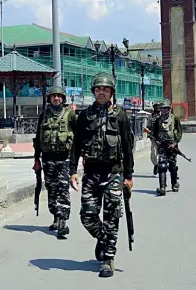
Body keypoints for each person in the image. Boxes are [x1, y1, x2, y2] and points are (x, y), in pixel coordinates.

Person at [69, 72, 134, 278]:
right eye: (98, 89)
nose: (102, 92)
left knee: (112, 217)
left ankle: (108, 259)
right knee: (87, 216)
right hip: (91, 174)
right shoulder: (84, 116)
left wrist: (129, 176)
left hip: (114, 173)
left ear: (111, 92)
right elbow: (76, 146)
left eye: (105, 89)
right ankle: (104, 239)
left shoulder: (120, 115)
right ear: (94, 92)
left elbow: (127, 146)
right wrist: (73, 171)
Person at [33, 86, 77, 238]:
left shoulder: (70, 115)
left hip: (64, 158)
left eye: (59, 96)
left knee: (63, 189)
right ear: (49, 99)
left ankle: (63, 221)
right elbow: (38, 139)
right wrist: (36, 158)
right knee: (51, 189)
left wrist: (76, 161)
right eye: (54, 96)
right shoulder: (43, 116)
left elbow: (77, 138)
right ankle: (56, 217)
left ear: (63, 98)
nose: (56, 98)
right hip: (47, 159)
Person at [150, 99, 182, 196]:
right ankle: (162, 187)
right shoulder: (157, 120)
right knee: (162, 166)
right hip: (162, 146)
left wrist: (175, 143)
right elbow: (153, 134)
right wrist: (157, 141)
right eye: (162, 109)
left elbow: (179, 132)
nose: (164, 110)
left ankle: (174, 184)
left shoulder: (175, 119)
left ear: (169, 109)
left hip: (172, 145)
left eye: (166, 108)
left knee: (172, 166)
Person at [147, 101, 161, 175]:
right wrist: (149, 133)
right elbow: (148, 127)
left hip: (163, 139)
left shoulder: (164, 116)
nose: (157, 108)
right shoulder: (151, 117)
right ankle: (156, 165)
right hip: (154, 138)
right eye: (156, 106)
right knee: (153, 154)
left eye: (158, 106)